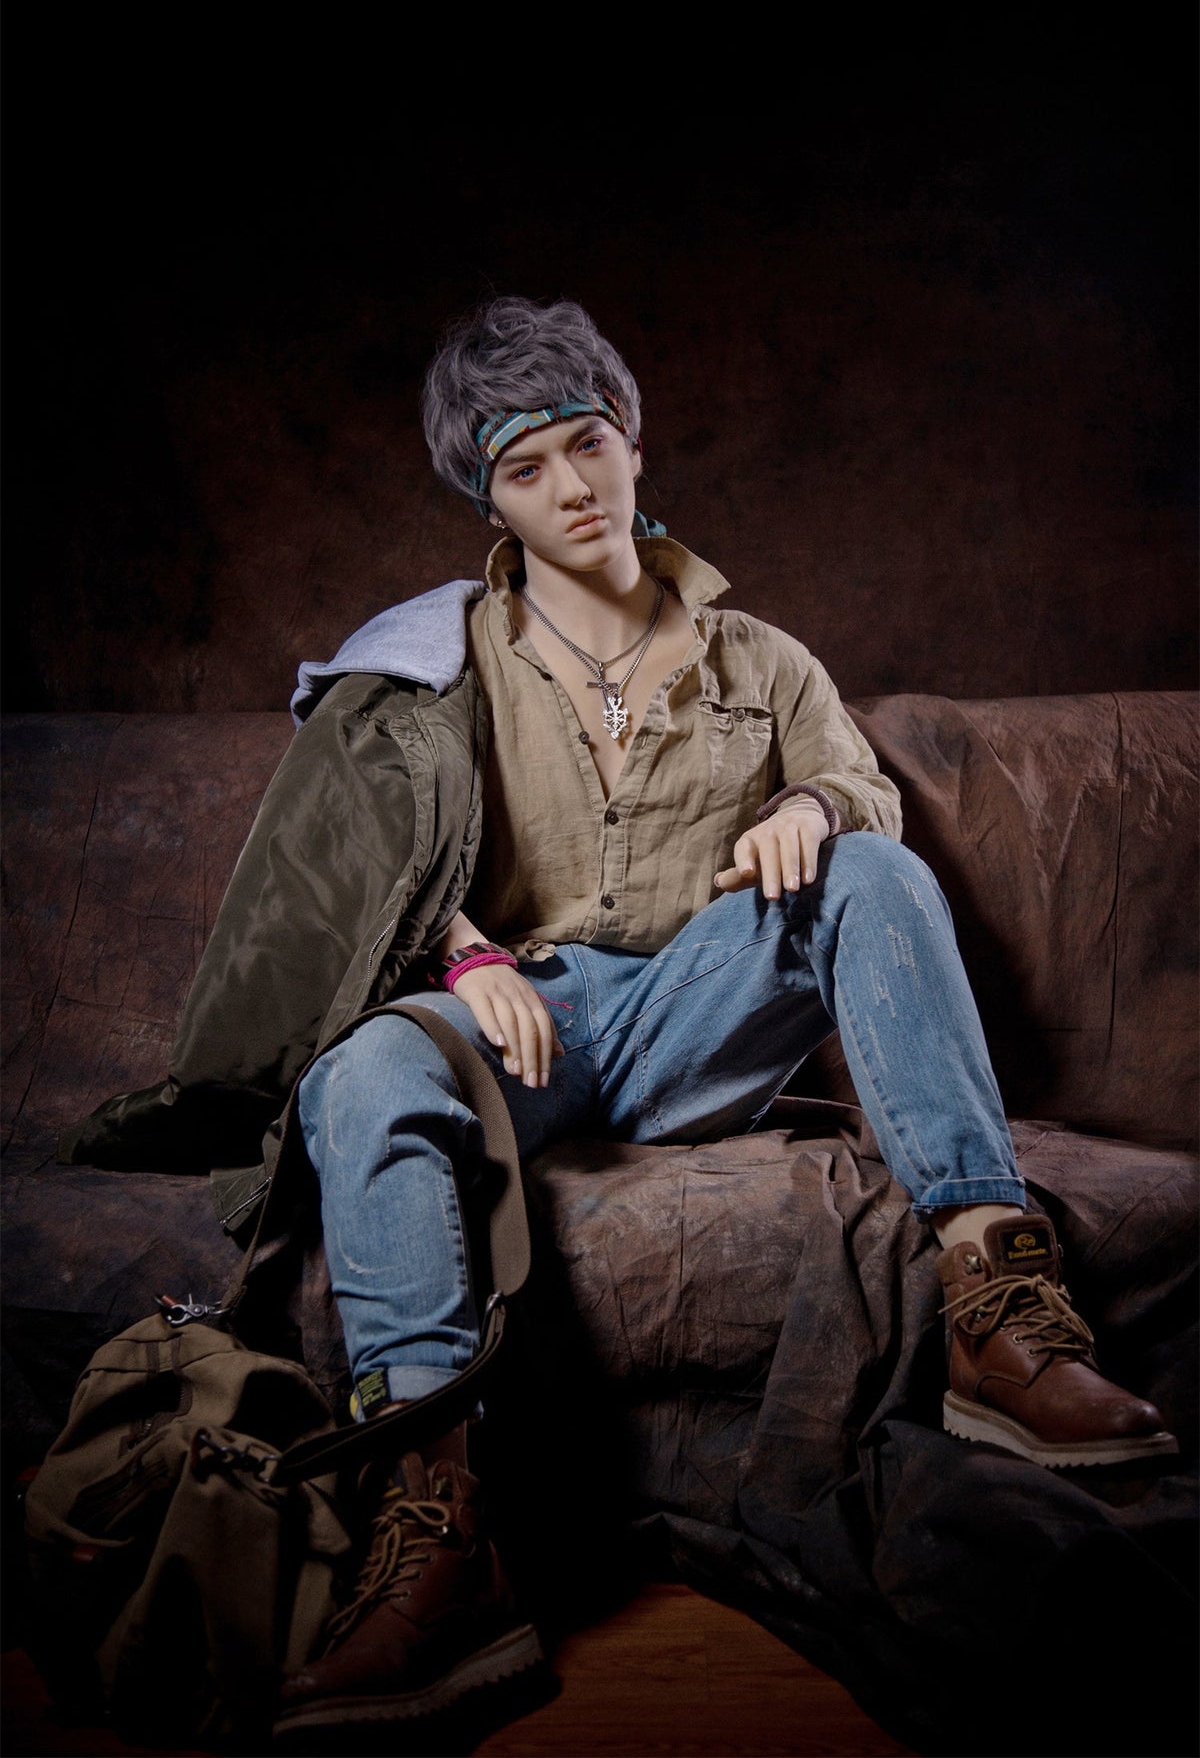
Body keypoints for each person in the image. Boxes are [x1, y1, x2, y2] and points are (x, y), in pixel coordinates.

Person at [165, 295, 1174, 1743]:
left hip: (704, 1013)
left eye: (590, 444)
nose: (571, 487)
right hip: (522, 1025)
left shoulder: (759, 656)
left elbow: (864, 791)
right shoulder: (444, 662)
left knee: (873, 866)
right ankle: (435, 1526)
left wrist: (809, 808)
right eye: (526, 469)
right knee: (362, 1070)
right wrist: (461, 954)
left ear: (633, 444)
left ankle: (997, 1311)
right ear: (490, 500)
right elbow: (369, 856)